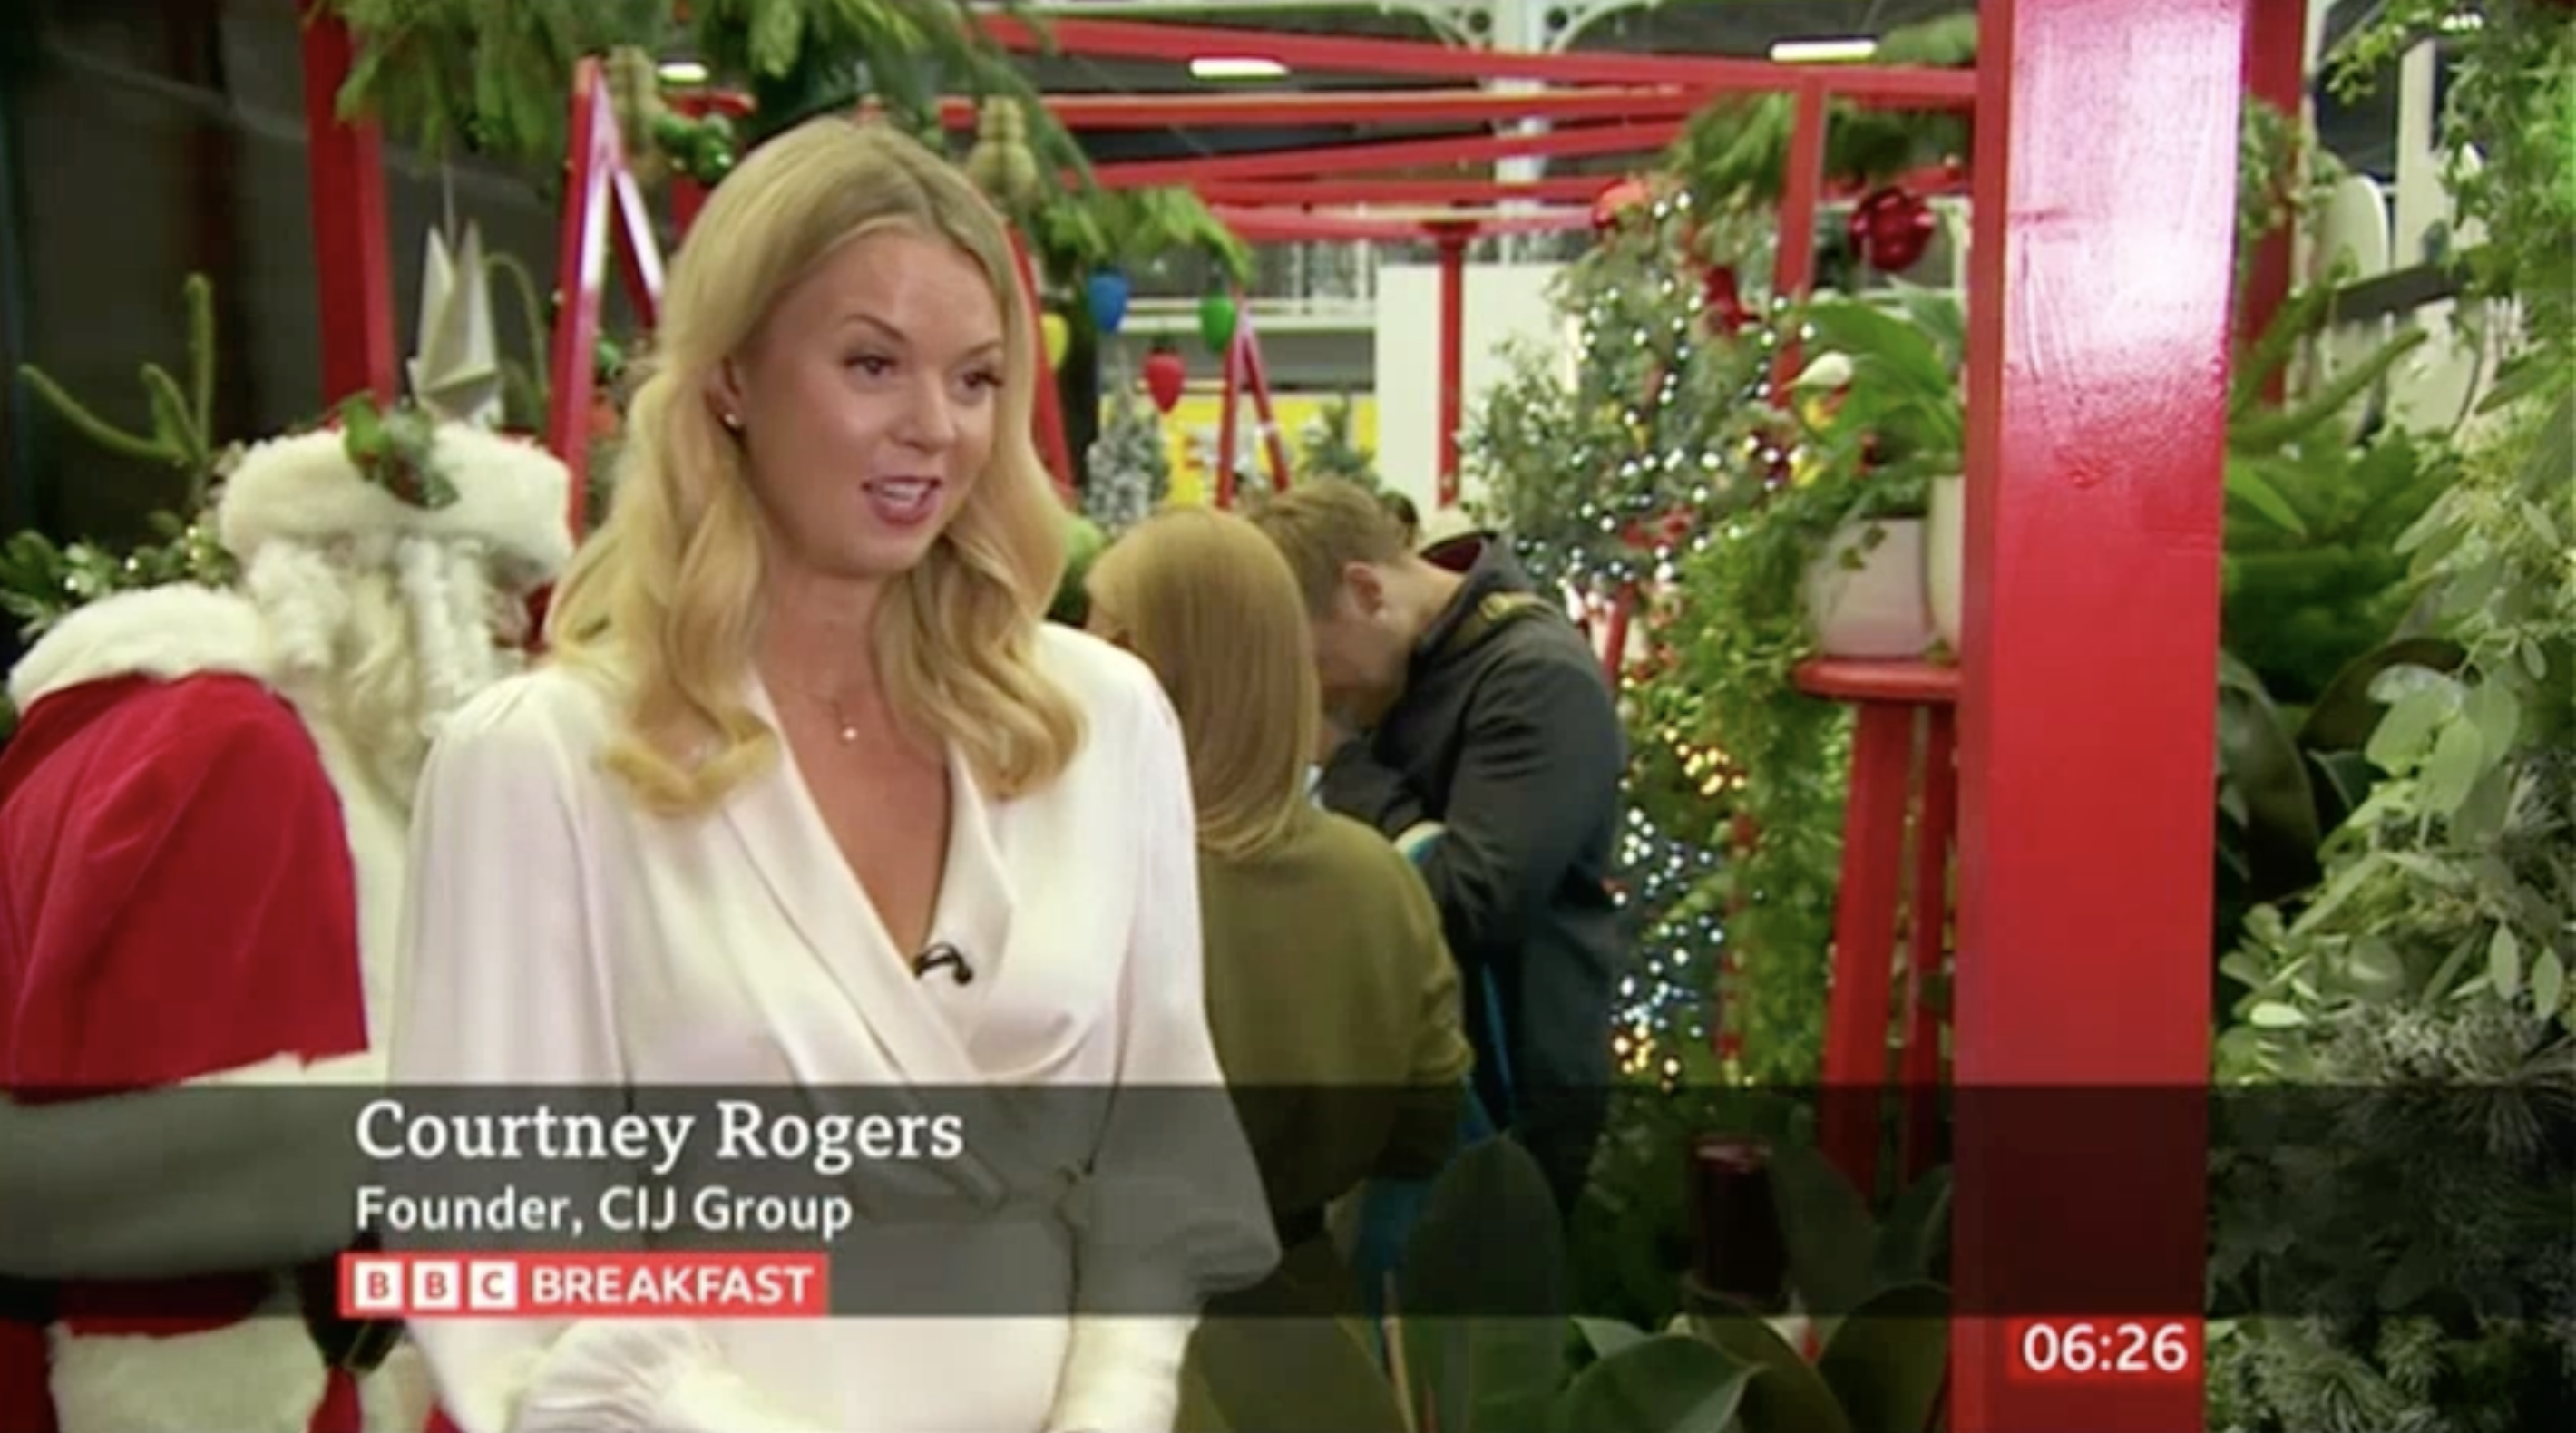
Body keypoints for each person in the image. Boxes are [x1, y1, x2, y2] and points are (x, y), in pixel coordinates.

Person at [388, 117, 1276, 1433]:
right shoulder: (541, 763)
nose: (934, 429)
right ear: (730, 377)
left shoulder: (1101, 723)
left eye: (976, 379)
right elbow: (503, 1256)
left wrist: (1110, 1413)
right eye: (872, 364)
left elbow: (1161, 1161)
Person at [0, 410, 576, 1433]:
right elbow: (177, 1229)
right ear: (389, 582)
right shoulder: (234, 755)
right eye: (490, 590)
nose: (514, 636)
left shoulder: (200, 725)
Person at [1081, 507, 1471, 1311]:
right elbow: (1426, 1126)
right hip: (1305, 1315)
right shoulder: (1380, 878)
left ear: (1133, 662)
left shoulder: (1073, 876)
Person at [1244, 478, 1625, 1220]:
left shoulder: (1535, 679)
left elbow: (1471, 903)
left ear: (1366, 591)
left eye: (1312, 661)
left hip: (1507, 1090)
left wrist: (1343, 761)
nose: (1313, 688)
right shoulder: (1423, 661)